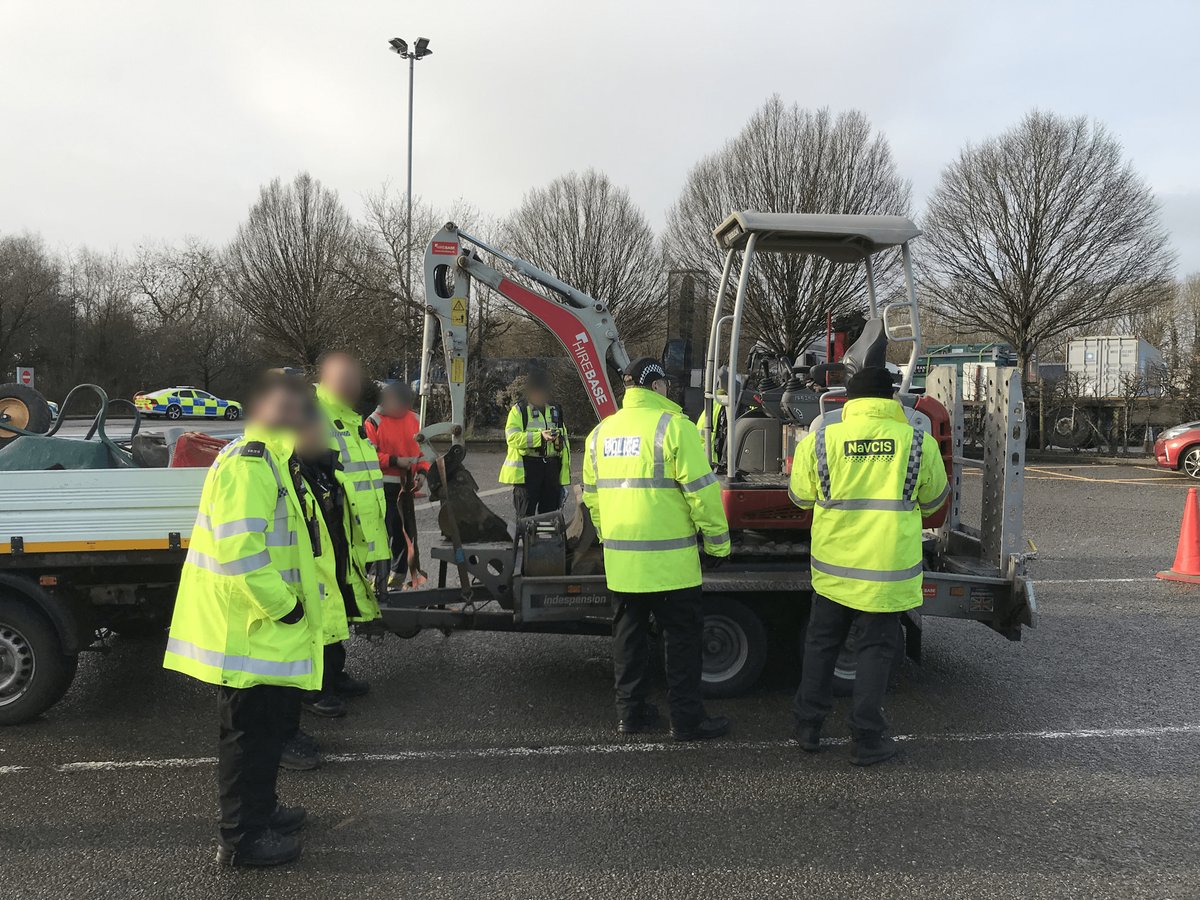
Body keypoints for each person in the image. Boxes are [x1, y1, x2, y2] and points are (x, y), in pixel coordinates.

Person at [163, 373, 325, 867]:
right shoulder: (252, 463)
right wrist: (286, 607)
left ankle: (263, 812)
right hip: (249, 630)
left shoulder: (274, 458)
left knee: (268, 730)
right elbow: (241, 551)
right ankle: (242, 840)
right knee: (247, 736)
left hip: (264, 632)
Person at [788, 366, 950, 766]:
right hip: (885, 573)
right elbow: (934, 504)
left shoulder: (821, 438)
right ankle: (866, 739)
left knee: (821, 646)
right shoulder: (916, 441)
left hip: (833, 570)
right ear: (891, 400)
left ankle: (808, 727)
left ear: (850, 401)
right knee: (875, 652)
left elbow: (799, 498)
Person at [582, 357, 732, 742]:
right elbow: (702, 493)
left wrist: (609, 539)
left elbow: (593, 500)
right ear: (656, 385)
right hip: (672, 567)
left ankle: (629, 715)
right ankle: (686, 721)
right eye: (665, 383)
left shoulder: (600, 434)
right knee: (681, 644)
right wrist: (717, 543)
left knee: (628, 640)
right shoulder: (674, 428)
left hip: (624, 564)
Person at [311, 352, 390, 716]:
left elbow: (362, 479)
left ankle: (334, 673)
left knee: (340, 601)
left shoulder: (349, 417)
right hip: (325, 526)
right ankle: (314, 687)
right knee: (322, 608)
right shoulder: (313, 410)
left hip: (346, 529)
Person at [280, 400, 357, 771]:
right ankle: (313, 692)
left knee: (330, 625)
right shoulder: (283, 470)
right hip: (299, 578)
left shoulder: (315, 466)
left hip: (330, 561)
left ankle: (328, 680)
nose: (323, 435)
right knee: (311, 633)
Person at [365, 382, 428, 589]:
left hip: (406, 489)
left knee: (405, 535)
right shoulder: (373, 422)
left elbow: (423, 452)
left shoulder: (415, 420)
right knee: (382, 534)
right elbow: (368, 455)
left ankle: (397, 580)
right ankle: (375, 579)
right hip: (381, 489)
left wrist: (421, 472)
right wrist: (394, 461)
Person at [500, 371, 570, 517]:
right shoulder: (519, 410)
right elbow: (512, 438)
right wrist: (539, 437)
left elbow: (564, 439)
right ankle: (527, 539)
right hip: (528, 468)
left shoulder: (555, 409)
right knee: (526, 514)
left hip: (552, 467)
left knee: (550, 515)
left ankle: (548, 540)